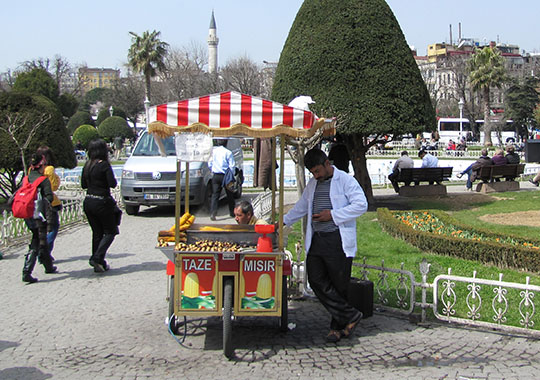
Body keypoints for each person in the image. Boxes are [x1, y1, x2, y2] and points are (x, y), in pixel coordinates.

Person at [282, 148, 367, 343]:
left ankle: (336, 329)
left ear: (327, 164)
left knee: (339, 284)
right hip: (318, 238)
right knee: (315, 278)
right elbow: (302, 206)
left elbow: (361, 205)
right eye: (312, 172)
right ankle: (351, 315)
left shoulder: (345, 180)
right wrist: (284, 221)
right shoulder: (313, 184)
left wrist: (333, 215)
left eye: (318, 171)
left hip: (337, 238)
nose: (316, 175)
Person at [81, 139, 119, 273]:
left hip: (89, 201)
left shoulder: (87, 165)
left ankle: (100, 262)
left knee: (97, 233)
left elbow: (83, 185)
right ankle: (96, 257)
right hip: (102, 202)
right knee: (110, 231)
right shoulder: (104, 166)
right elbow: (112, 183)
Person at [22, 153, 57, 283]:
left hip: (27, 213)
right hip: (38, 215)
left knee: (39, 238)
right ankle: (27, 270)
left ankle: (48, 266)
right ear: (41, 165)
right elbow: (49, 198)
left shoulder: (26, 178)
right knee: (37, 240)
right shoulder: (43, 180)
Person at [36, 146, 61, 262]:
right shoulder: (49, 169)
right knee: (53, 228)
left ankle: (44, 252)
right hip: (50, 201)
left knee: (42, 228)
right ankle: (45, 251)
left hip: (37, 201)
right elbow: (53, 186)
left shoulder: (33, 169)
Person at [208, 139, 236, 221]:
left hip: (216, 175)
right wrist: (232, 175)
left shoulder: (214, 152)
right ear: (226, 143)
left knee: (215, 195)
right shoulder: (228, 152)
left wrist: (213, 169)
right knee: (230, 194)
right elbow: (232, 166)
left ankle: (213, 213)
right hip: (226, 176)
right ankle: (232, 212)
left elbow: (209, 163)